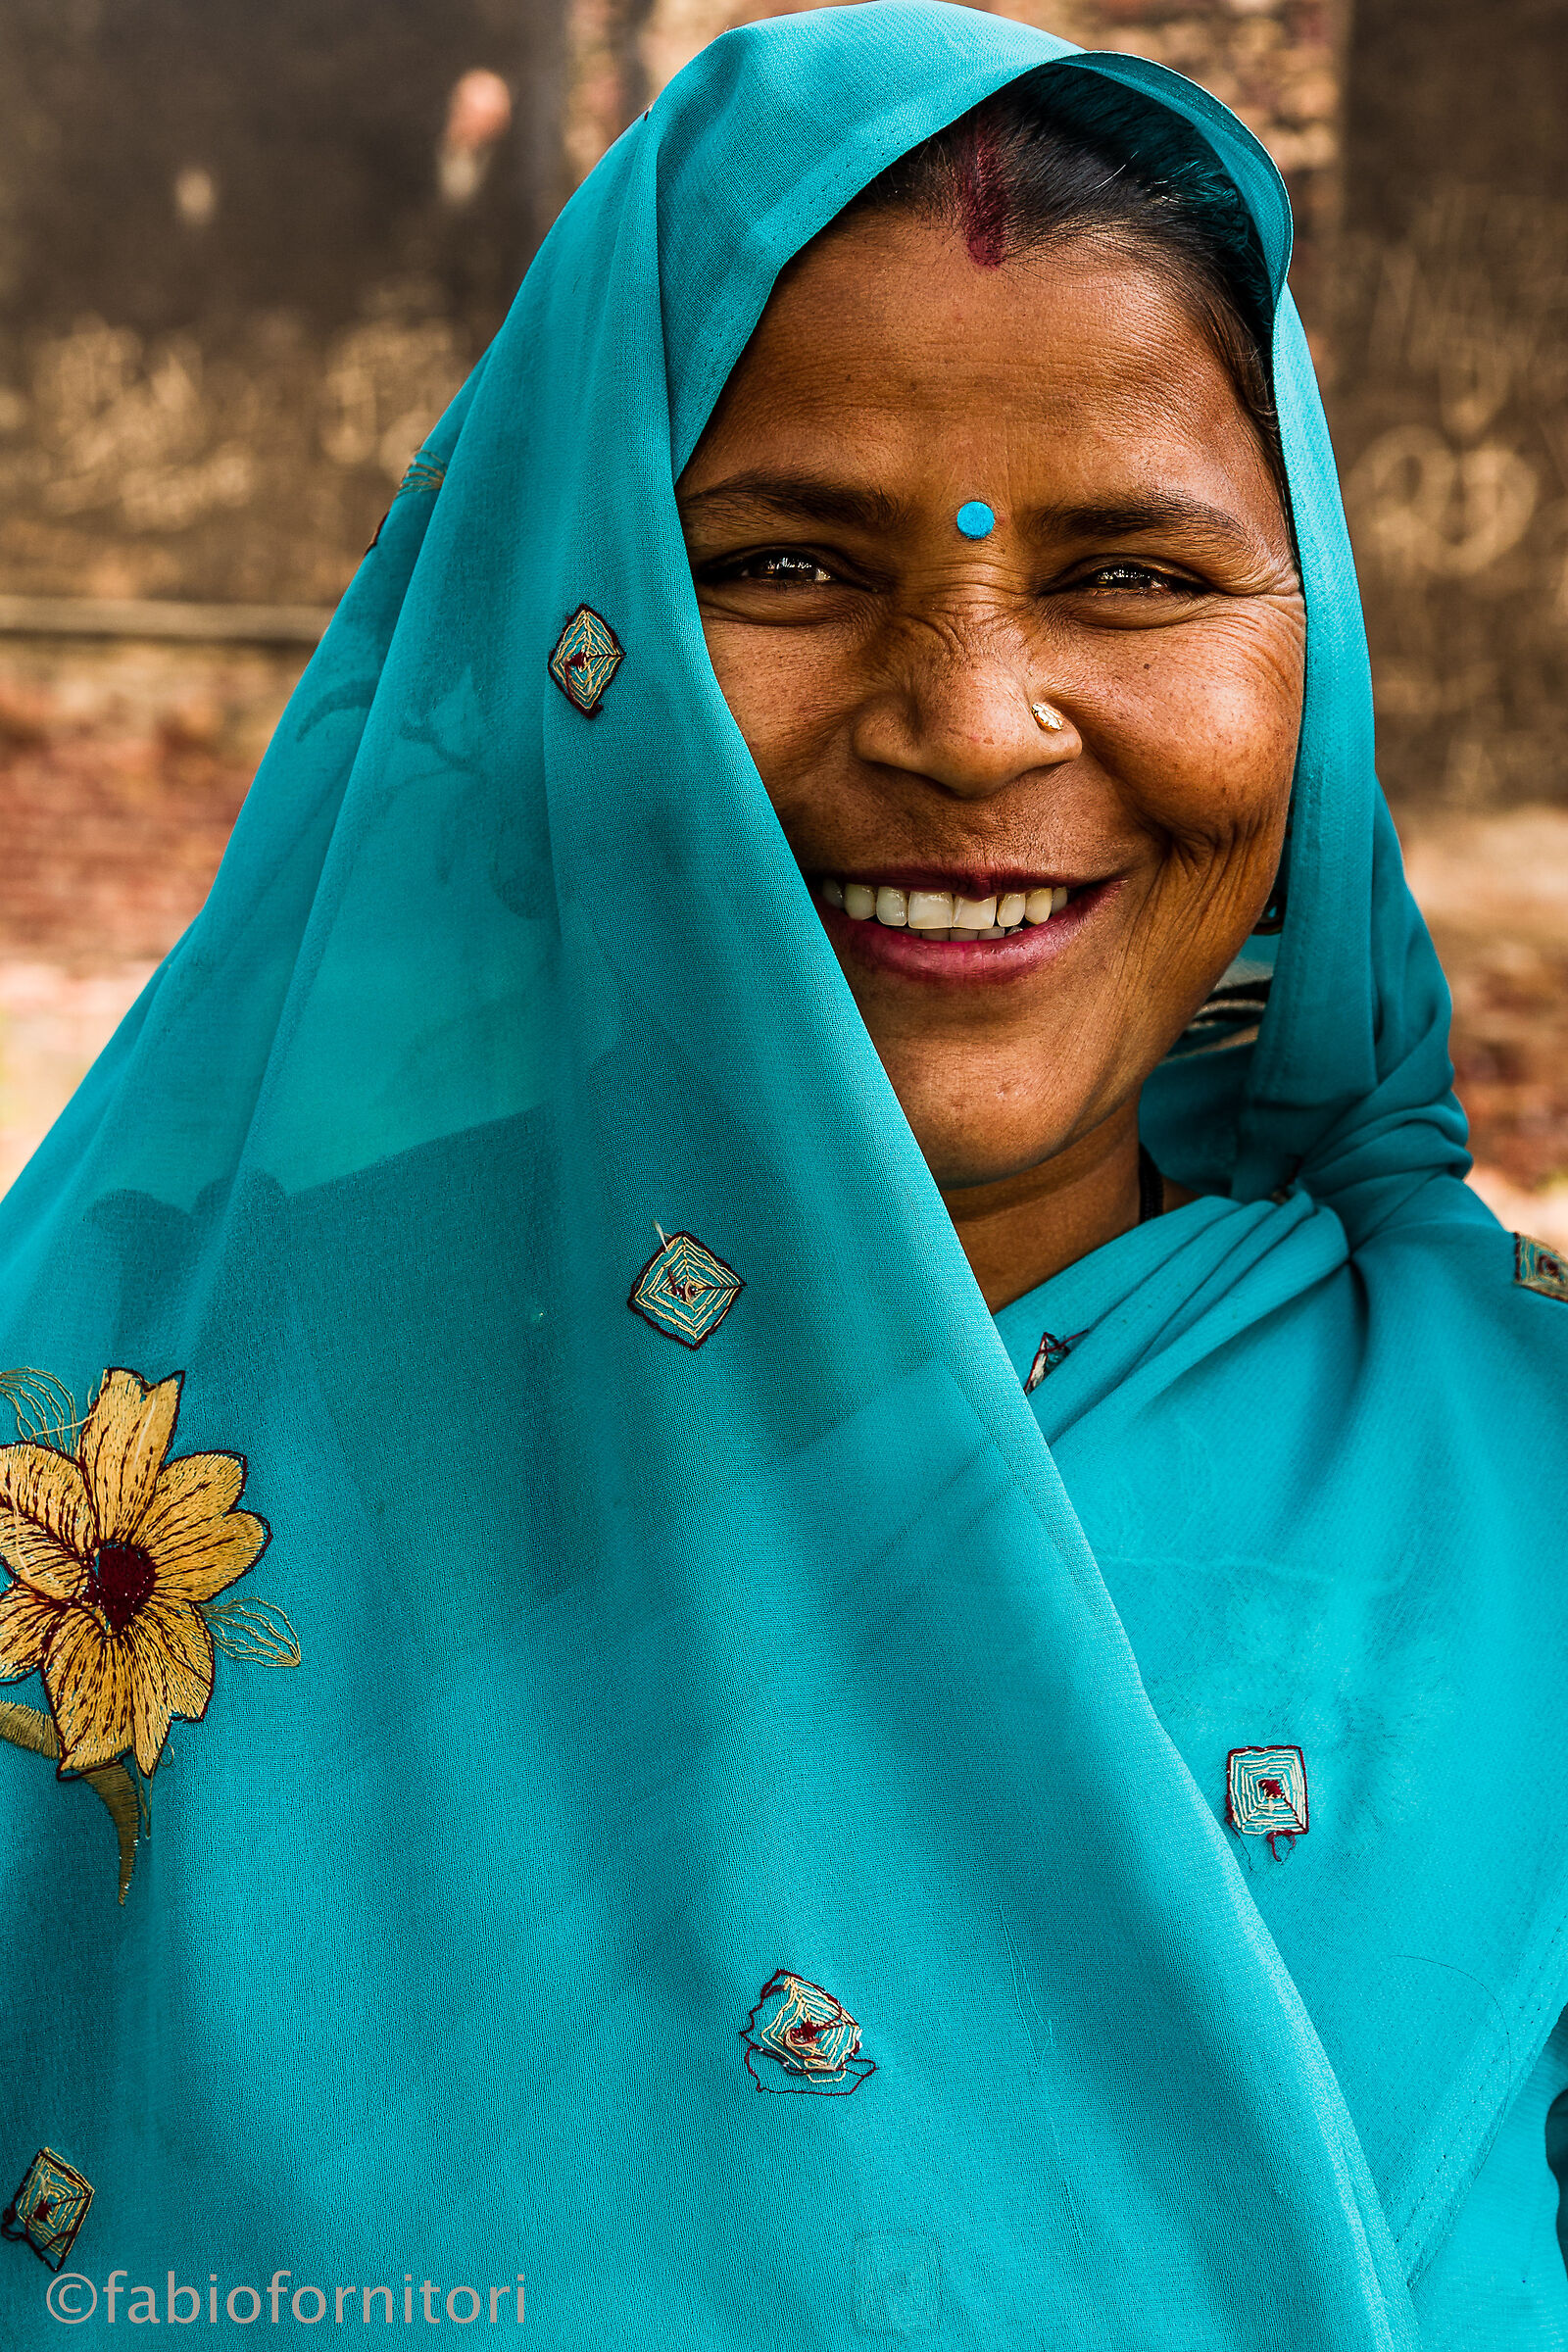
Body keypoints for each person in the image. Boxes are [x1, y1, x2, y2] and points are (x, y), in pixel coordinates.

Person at [1, 8, 1565, 2345]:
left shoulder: (1521, 1474)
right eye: (789, 567)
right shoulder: (114, 1445)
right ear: (561, 646)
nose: (965, 720)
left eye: (1133, 574)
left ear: (1308, 654)